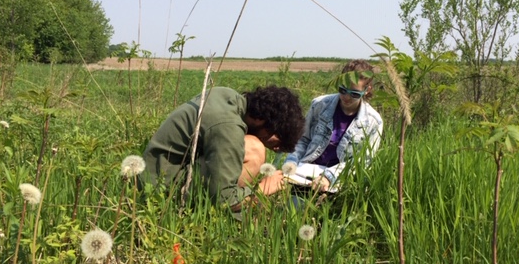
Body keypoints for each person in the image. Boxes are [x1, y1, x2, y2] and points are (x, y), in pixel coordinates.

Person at [141, 85, 304, 217]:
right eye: (277, 140)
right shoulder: (228, 127)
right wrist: (262, 189)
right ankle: (219, 214)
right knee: (255, 149)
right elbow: (223, 199)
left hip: (155, 174)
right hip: (161, 190)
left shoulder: (227, 96)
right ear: (260, 120)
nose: (276, 148)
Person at [283, 59, 383, 193]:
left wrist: (329, 177)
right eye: (342, 90)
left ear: (367, 90)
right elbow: (303, 139)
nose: (346, 97)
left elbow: (362, 161)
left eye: (354, 93)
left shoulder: (373, 121)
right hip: (305, 173)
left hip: (341, 180)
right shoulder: (319, 105)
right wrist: (291, 163)